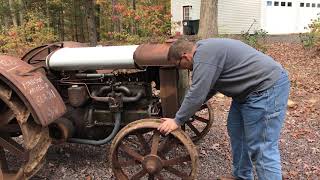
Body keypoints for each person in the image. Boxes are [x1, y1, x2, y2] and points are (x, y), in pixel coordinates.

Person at [158, 38, 290, 180]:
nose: (181, 68)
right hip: (246, 93)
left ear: (185, 56)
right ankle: (242, 176)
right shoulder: (204, 50)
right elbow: (208, 89)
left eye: (179, 65)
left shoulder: (204, 57)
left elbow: (197, 93)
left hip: (266, 89)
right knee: (237, 132)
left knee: (262, 148)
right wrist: (187, 110)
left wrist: (177, 120)